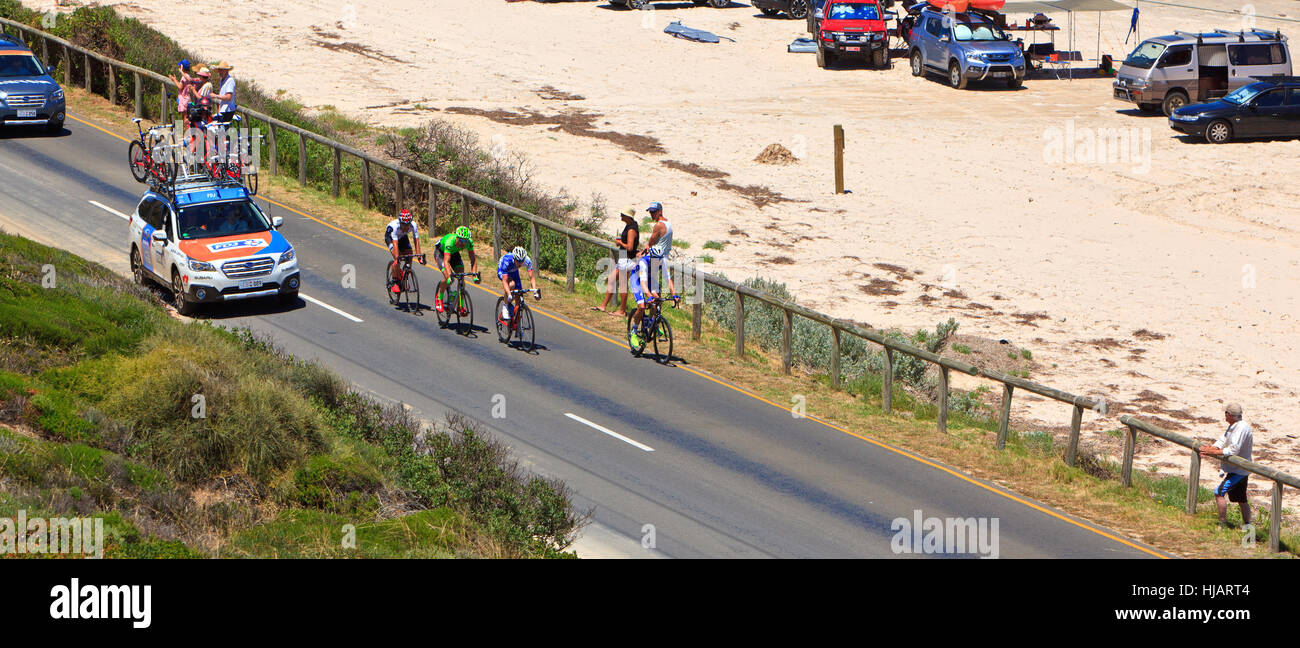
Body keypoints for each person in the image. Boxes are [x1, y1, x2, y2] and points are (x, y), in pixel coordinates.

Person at [1198, 403, 1254, 528]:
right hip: (1237, 470)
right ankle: (1247, 526)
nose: (1225, 415)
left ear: (1229, 415)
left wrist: (1213, 452)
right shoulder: (1234, 425)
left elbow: (1234, 450)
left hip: (1239, 471)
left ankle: (1222, 524)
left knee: (1218, 493)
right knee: (1242, 499)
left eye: (1225, 413)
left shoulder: (1241, 428)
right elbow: (1223, 439)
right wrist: (1212, 448)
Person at [594, 206, 640, 315]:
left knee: (623, 285)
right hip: (625, 257)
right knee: (611, 279)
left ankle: (622, 311)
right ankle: (603, 306)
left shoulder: (631, 229)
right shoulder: (630, 226)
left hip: (628, 258)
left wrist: (620, 243)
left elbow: (629, 247)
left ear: (628, 217)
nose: (621, 216)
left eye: (623, 215)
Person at [433, 225, 480, 314]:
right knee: (449, 279)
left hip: (454, 253)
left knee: (461, 278)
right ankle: (439, 298)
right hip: (441, 253)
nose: (463, 243)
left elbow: (473, 260)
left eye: (465, 241)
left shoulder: (469, 242)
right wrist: (450, 275)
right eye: (461, 240)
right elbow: (446, 261)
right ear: (457, 238)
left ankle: (460, 306)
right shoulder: (450, 241)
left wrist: (474, 276)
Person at [639, 201, 675, 297]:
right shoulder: (668, 224)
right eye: (650, 212)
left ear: (660, 211)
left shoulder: (658, 225)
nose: (652, 214)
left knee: (646, 280)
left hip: (656, 256)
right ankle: (656, 308)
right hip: (665, 256)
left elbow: (650, 243)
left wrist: (641, 253)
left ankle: (645, 302)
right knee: (660, 281)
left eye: (654, 212)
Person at [384, 209, 424, 293]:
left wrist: (419, 256)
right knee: (397, 259)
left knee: (410, 255)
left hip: (402, 237)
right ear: (400, 222)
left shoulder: (413, 225)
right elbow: (395, 244)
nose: (406, 227)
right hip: (391, 239)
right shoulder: (394, 227)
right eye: (404, 225)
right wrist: (397, 258)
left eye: (407, 225)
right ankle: (395, 282)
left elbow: (416, 241)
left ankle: (405, 275)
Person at [496, 245, 539, 322]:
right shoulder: (507, 260)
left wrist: (535, 291)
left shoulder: (527, 261)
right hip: (503, 271)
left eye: (521, 262)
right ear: (514, 258)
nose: (520, 264)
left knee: (518, 295)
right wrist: (509, 294)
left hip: (514, 271)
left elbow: (531, 277)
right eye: (518, 261)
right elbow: (505, 281)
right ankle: (505, 307)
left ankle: (517, 326)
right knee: (511, 284)